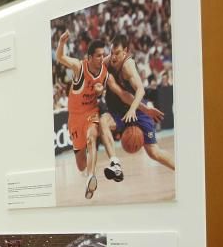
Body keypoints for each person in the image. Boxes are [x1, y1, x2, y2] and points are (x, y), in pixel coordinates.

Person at [100, 34, 175, 171]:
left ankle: (182, 172)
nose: (114, 57)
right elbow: (87, 67)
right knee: (103, 121)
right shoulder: (106, 62)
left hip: (138, 109)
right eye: (112, 53)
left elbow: (140, 90)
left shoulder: (128, 66)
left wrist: (134, 109)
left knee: (154, 153)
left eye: (117, 53)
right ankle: (115, 164)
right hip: (118, 112)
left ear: (125, 51)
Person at [56, 31, 113, 199]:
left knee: (91, 138)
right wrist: (61, 43)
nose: (101, 58)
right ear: (89, 57)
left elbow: (114, 59)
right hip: (74, 117)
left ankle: (91, 176)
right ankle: (86, 171)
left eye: (103, 55)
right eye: (98, 56)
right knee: (80, 164)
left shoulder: (104, 69)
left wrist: (101, 89)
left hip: (91, 113)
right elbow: (60, 57)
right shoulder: (79, 67)